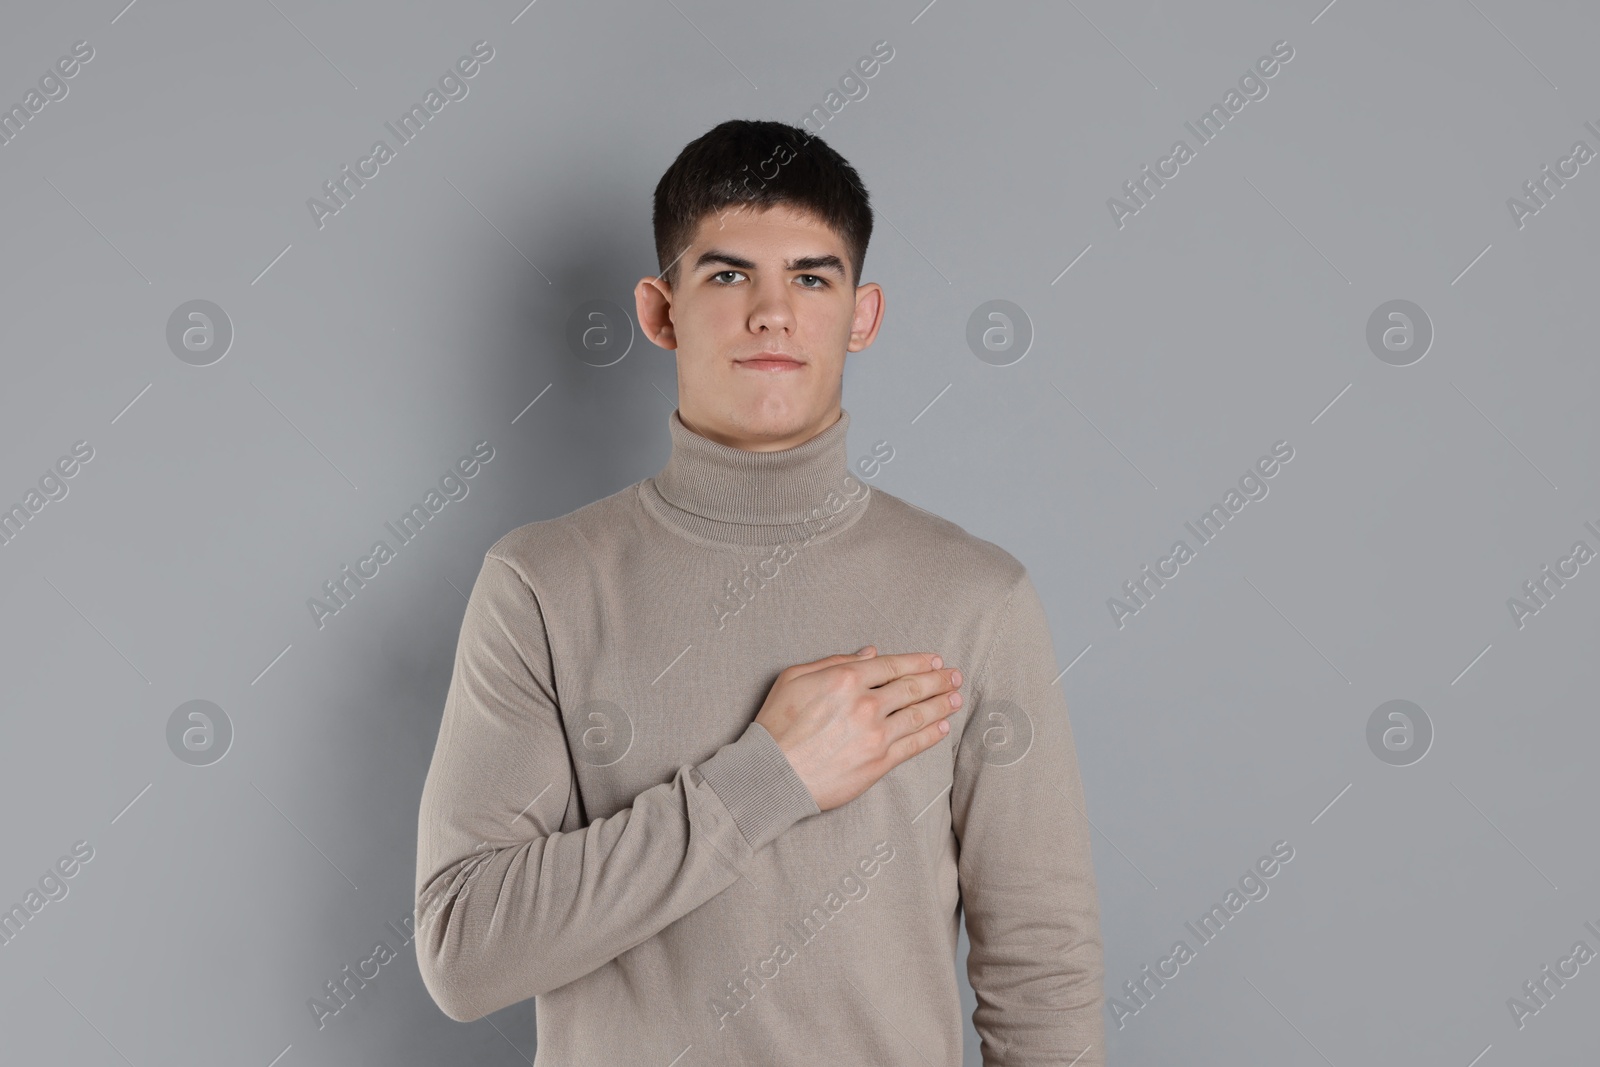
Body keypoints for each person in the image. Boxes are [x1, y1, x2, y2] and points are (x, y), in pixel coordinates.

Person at [414, 118, 1105, 1066]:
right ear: (662, 311)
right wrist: (765, 779)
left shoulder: (975, 598)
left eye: (812, 278)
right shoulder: (541, 586)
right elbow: (464, 950)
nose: (772, 312)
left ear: (862, 314)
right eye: (729, 275)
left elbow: (1041, 973)